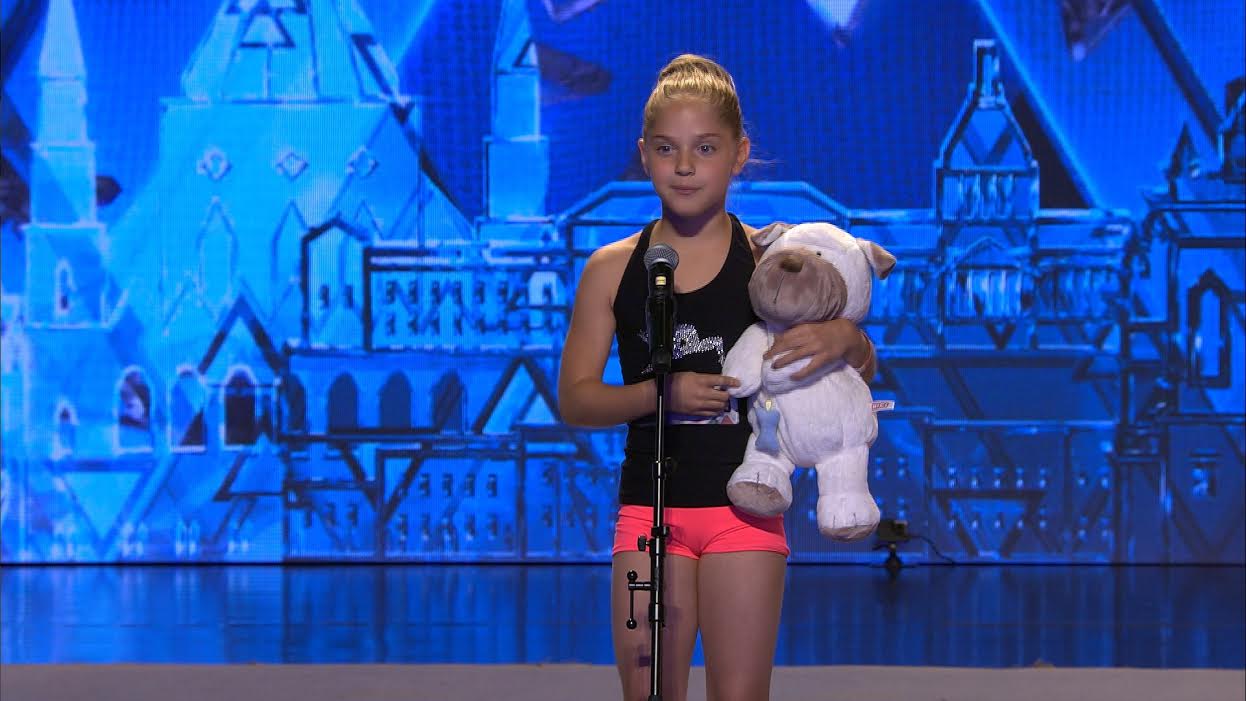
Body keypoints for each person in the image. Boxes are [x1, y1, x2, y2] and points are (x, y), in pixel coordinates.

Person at [557, 54, 877, 701]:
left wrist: (848, 338)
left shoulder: (771, 264)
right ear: (643, 155)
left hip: (744, 511)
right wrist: (661, 393)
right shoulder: (611, 268)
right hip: (649, 512)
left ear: (738, 154)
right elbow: (576, 399)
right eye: (666, 149)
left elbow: (857, 371)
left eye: (705, 148)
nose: (684, 166)